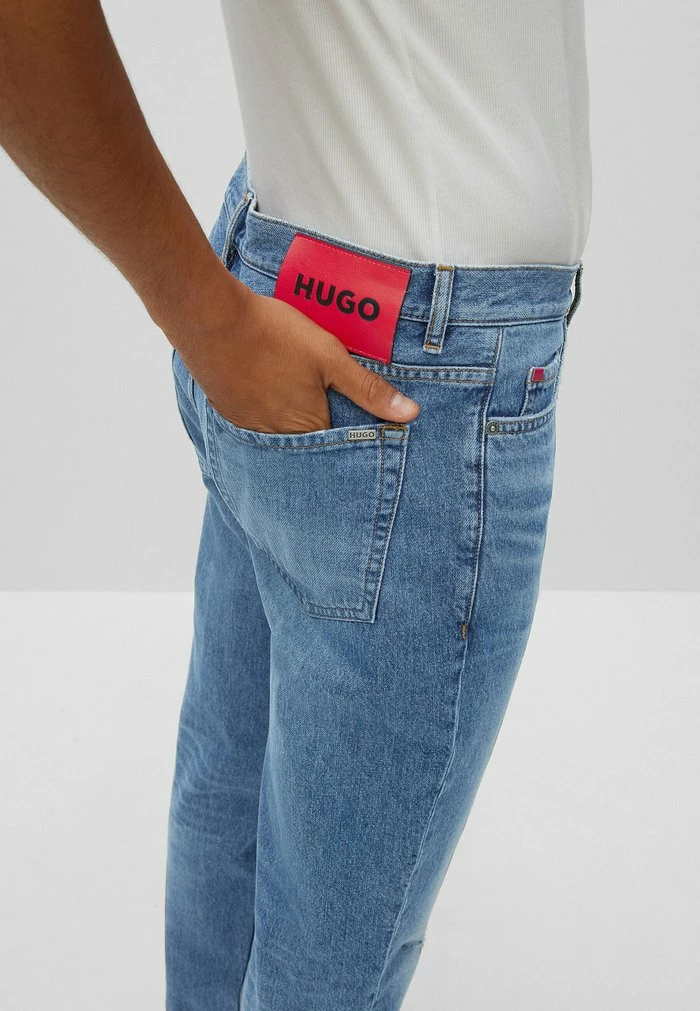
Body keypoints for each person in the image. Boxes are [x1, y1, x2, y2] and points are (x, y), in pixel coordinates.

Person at [0, 1, 591, 1008]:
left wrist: (215, 318)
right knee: (328, 958)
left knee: (230, 808)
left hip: (325, 287)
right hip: (414, 366)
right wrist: (205, 319)